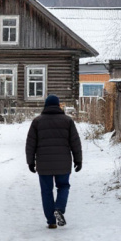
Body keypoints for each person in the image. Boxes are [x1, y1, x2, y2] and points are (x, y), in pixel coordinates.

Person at [25, 94, 82, 229]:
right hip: (63, 163)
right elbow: (75, 142)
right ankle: (59, 209)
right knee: (63, 186)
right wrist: (78, 160)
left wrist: (30, 162)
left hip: (44, 164)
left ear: (45, 105)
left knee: (46, 191)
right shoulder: (67, 121)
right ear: (58, 105)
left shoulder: (37, 121)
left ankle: (51, 221)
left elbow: (30, 143)